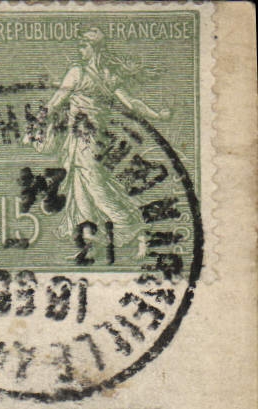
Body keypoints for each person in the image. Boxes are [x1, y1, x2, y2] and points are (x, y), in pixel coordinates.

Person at [43, 28, 170, 259]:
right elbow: (57, 101)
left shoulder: (85, 74)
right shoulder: (93, 73)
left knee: (96, 188)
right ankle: (89, 244)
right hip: (78, 140)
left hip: (90, 141)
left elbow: (131, 103)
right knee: (80, 188)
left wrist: (156, 115)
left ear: (95, 49)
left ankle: (135, 229)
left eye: (84, 45)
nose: (80, 49)